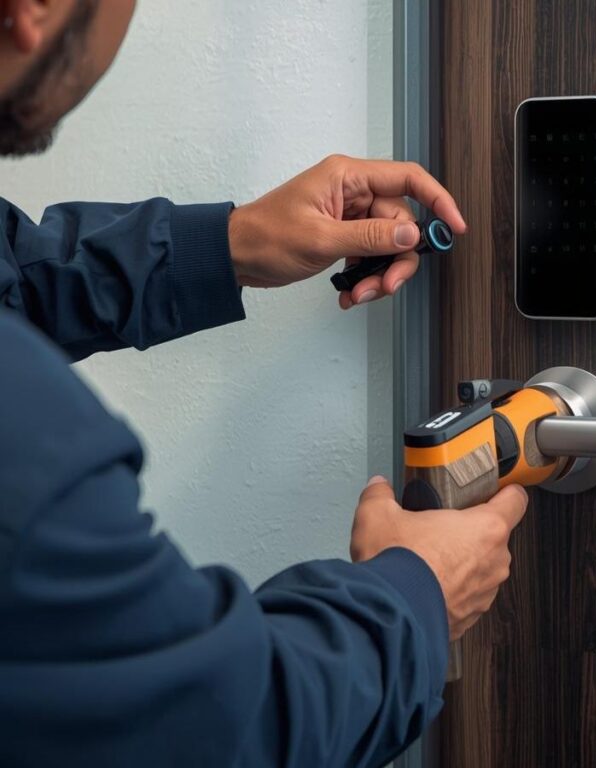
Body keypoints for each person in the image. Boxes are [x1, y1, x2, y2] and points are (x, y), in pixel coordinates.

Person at [0, 1, 529, 766]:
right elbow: (221, 727)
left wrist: (229, 243)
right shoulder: (31, 455)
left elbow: (17, 277)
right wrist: (415, 596)